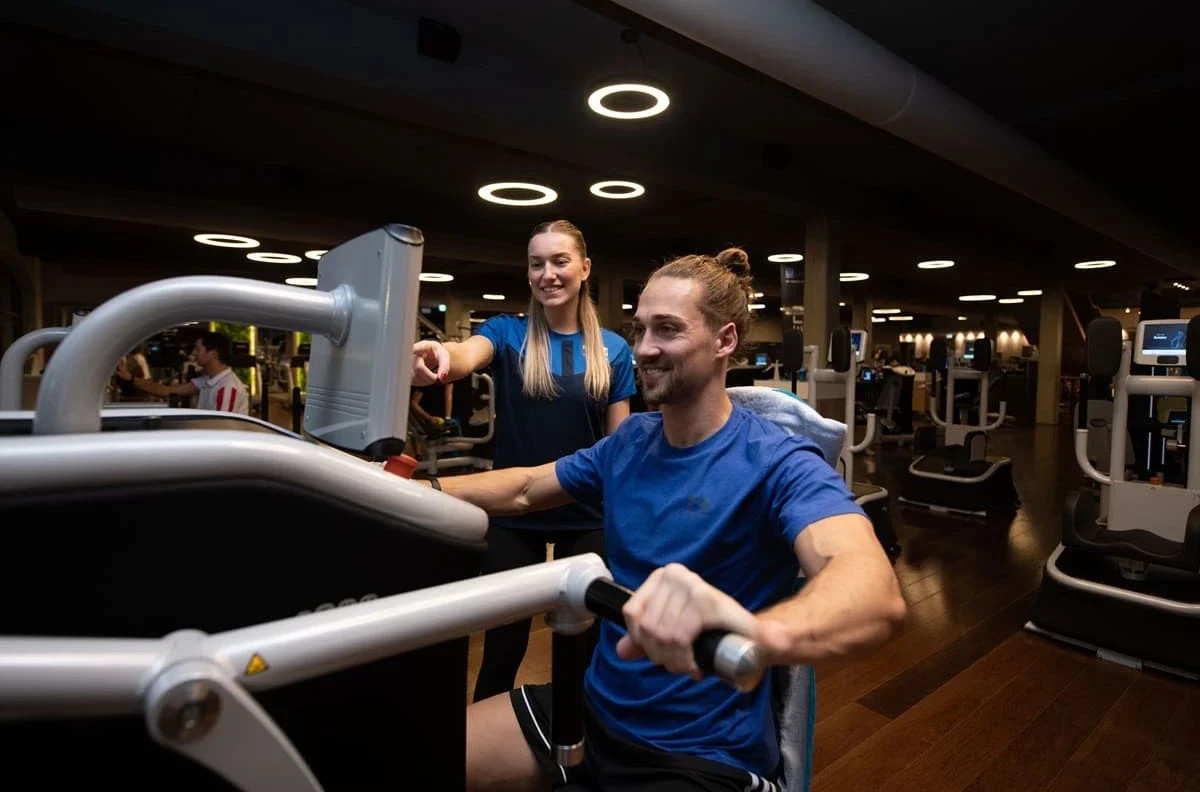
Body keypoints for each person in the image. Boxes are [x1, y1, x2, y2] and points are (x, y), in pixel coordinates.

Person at [427, 247, 906, 791]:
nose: (644, 348)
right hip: (593, 707)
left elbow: (873, 593)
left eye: (668, 330)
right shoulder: (632, 439)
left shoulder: (778, 461)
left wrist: (753, 634)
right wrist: (408, 488)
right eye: (641, 329)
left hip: (700, 751)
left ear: (724, 341)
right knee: (411, 758)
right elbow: (525, 488)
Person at [412, 219, 637, 702]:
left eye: (560, 261)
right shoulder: (508, 333)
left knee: (582, 651)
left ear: (585, 268)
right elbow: (466, 353)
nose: (547, 274)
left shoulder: (613, 349)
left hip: (586, 513)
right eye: (537, 264)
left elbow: (619, 445)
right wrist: (442, 356)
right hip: (515, 512)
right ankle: (482, 744)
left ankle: (574, 743)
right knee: (502, 648)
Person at [115, 331, 250, 415]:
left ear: (213, 354)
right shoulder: (208, 380)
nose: (194, 353)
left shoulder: (227, 388)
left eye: (198, 349)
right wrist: (131, 378)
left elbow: (222, 431)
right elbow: (166, 390)